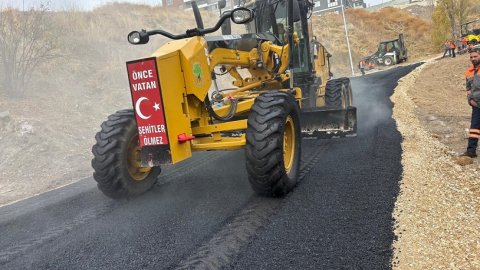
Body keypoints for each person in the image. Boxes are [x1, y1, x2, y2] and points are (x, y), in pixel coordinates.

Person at [461, 48, 480, 158]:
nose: (473, 59)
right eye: (471, 57)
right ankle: (471, 151)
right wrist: (470, 100)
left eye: (475, 56)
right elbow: (468, 89)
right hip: (476, 105)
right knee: (474, 128)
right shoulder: (469, 72)